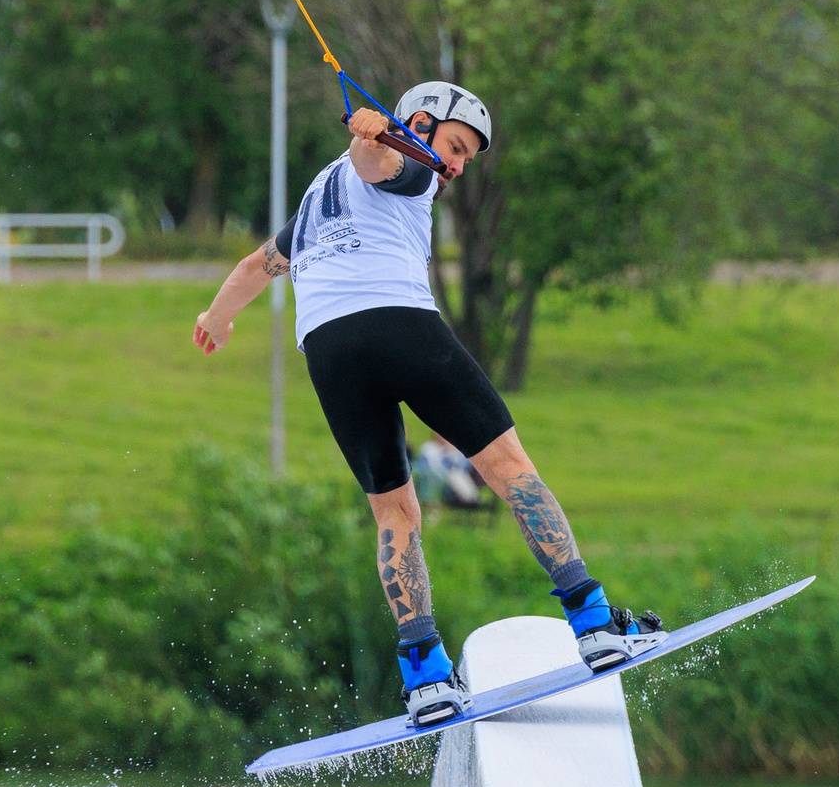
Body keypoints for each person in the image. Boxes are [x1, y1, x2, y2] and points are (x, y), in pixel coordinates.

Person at [192, 82, 660, 726]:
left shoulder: (319, 199)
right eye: (457, 147)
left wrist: (216, 317)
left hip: (329, 353)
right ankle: (595, 623)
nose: (458, 167)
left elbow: (258, 265)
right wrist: (373, 136)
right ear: (419, 123)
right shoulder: (412, 164)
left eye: (466, 157)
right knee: (508, 467)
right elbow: (381, 164)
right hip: (401, 326)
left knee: (393, 509)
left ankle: (426, 677)